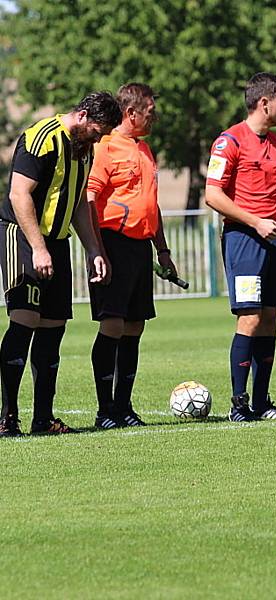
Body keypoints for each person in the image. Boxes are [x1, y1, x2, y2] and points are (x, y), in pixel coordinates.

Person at [0, 92, 121, 436]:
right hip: (22, 236)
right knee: (24, 321)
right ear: (82, 116)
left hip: (57, 241)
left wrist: (93, 249)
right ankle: (6, 418)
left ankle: (42, 419)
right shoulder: (41, 139)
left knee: (53, 329)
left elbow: (81, 202)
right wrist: (38, 249)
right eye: (98, 130)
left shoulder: (85, 149)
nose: (100, 137)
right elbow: (18, 194)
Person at [205, 72, 276, 422]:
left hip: (273, 238)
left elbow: (272, 192)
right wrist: (255, 221)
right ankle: (239, 403)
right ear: (265, 103)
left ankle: (262, 402)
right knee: (249, 317)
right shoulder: (229, 141)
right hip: (244, 239)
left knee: (271, 318)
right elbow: (213, 195)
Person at [86, 83, 175, 429]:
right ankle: (104, 410)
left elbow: (151, 205)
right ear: (131, 113)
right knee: (112, 324)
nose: (154, 118)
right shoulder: (105, 147)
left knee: (134, 327)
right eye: (150, 112)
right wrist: (97, 249)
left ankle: (124, 407)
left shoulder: (145, 149)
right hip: (112, 243)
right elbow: (90, 199)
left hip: (141, 247)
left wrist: (162, 249)